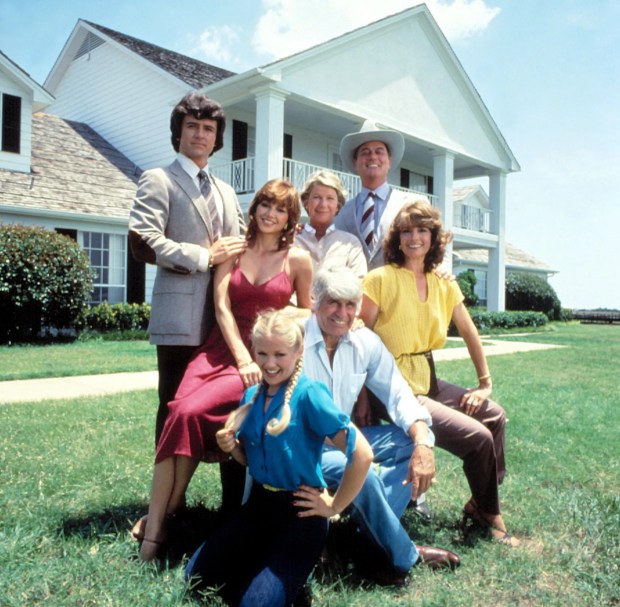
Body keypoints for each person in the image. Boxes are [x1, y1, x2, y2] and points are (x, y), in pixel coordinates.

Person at [136, 179, 313, 560]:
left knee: (187, 413)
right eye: (265, 205)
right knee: (179, 413)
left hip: (262, 360)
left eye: (281, 209)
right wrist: (240, 355)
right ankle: (162, 519)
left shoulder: (298, 260)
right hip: (219, 351)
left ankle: (158, 523)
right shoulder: (235, 248)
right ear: (254, 210)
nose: (271, 213)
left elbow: (308, 309)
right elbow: (221, 307)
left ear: (289, 219)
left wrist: (282, 317)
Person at [184, 308, 373, 606]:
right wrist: (232, 448)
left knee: (255, 604)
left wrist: (334, 505)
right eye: (262, 354)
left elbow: (362, 454)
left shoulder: (309, 394)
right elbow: (250, 461)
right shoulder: (251, 397)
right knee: (195, 579)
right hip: (258, 506)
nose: (270, 364)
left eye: (280, 355)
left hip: (300, 513)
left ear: (298, 352)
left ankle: (289, 575)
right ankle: (266, 564)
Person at [359, 200, 520, 547]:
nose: (414, 237)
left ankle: (480, 501)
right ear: (397, 239)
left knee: (494, 417)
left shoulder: (443, 282)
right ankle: (492, 515)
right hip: (392, 385)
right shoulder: (379, 279)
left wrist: (485, 383)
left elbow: (468, 329)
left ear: (433, 238)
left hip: (426, 377)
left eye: (422, 230)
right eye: (406, 231)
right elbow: (358, 340)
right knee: (477, 438)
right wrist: (360, 395)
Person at [302, 268, 460, 586]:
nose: (343, 314)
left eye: (351, 304)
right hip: (304, 446)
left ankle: (365, 536)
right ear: (314, 301)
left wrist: (423, 443)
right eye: (333, 302)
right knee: (364, 477)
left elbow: (398, 394)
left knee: (407, 440)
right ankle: (402, 553)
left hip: (346, 442)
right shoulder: (295, 338)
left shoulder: (365, 342)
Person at [128, 92, 247, 445]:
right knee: (173, 403)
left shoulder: (226, 191)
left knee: (227, 405)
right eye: (191, 126)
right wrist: (203, 257)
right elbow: (141, 241)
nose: (200, 134)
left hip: (226, 319)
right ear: (178, 133)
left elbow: (243, 241)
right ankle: (165, 500)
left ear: (217, 138)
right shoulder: (158, 179)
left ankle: (228, 496)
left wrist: (286, 238)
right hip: (179, 318)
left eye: (208, 128)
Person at [334, 119, 428, 271]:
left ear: (389, 161)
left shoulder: (414, 204)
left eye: (379, 151)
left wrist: (443, 270)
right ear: (355, 161)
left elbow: (437, 249)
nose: (373, 157)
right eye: (365, 152)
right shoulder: (341, 213)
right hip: (355, 293)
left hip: (401, 292)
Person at [295, 170, 367, 278]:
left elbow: (359, 284)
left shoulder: (350, 244)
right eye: (316, 197)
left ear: (338, 205)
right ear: (306, 202)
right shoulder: (292, 239)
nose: (323, 204)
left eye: (330, 198)